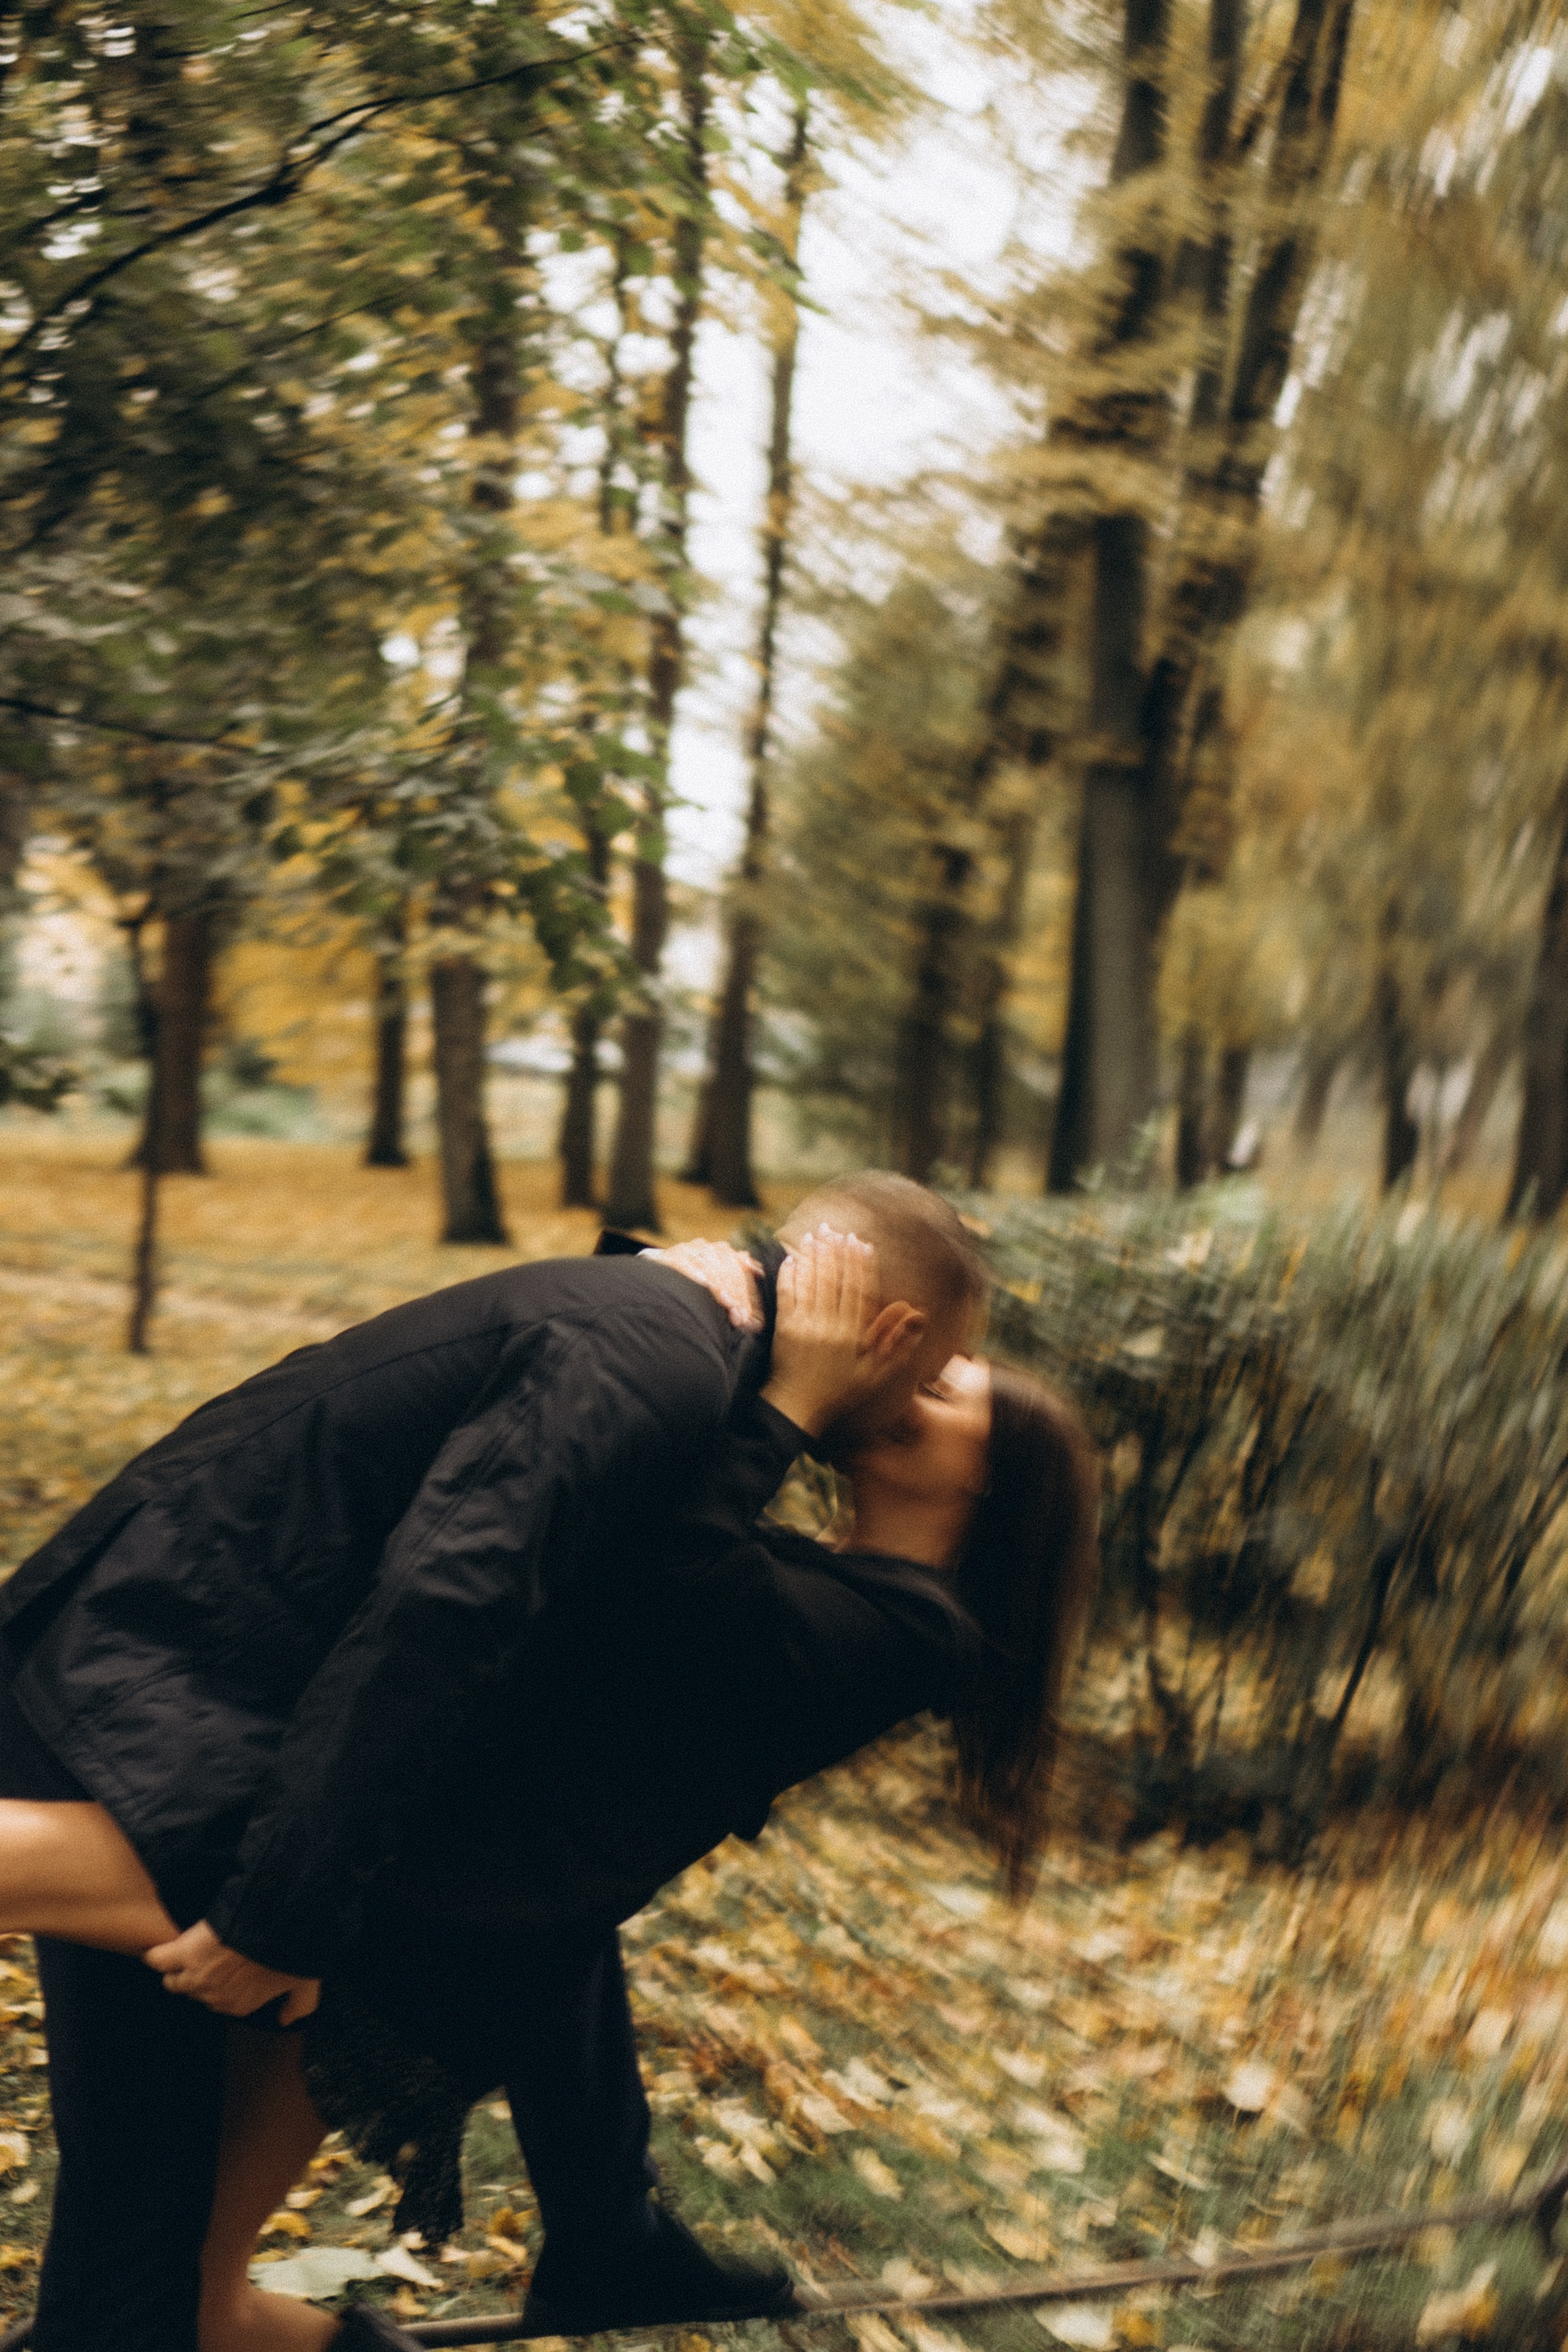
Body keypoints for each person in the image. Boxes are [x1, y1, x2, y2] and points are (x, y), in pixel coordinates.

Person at [0, 1177, 997, 2352]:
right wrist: (289, 1910)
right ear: (896, 1332)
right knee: (143, 2293)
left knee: (135, 2303)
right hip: (184, 1707)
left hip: (210, 1713)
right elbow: (447, 1603)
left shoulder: (679, 1349)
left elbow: (607, 1573)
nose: (904, 1411)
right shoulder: (667, 1353)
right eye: (936, 1374)